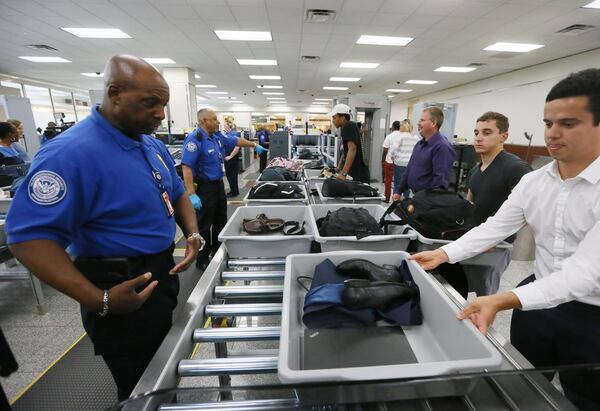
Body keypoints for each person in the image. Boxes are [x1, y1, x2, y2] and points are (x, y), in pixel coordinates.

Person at [4, 55, 203, 401]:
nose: (160, 113)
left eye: (164, 105)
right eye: (150, 103)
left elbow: (176, 192)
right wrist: (101, 299)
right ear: (114, 93)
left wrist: (192, 233)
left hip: (160, 273)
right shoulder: (69, 154)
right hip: (117, 283)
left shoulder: (148, 142)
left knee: (161, 368)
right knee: (138, 386)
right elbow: (28, 238)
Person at [409, 68, 600, 411]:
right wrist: (444, 253)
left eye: (568, 123)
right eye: (548, 123)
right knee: (525, 385)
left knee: (584, 397)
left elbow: (585, 273)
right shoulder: (535, 182)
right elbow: (494, 227)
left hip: (592, 317)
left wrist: (503, 299)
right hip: (537, 305)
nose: (553, 133)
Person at [181, 109, 267, 271]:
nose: (218, 122)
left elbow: (236, 141)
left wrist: (255, 145)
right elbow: (187, 168)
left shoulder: (216, 136)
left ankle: (217, 253)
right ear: (204, 121)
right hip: (204, 188)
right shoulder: (195, 140)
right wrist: (191, 194)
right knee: (204, 225)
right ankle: (202, 258)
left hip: (219, 185)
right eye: (214, 119)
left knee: (220, 220)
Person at [467, 111, 532, 238]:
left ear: (504, 136)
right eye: (476, 133)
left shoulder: (516, 168)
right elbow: (469, 206)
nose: (478, 138)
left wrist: (497, 238)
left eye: (486, 133)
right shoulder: (474, 171)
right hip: (474, 239)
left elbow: (529, 213)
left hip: (501, 245)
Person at [393, 107, 455, 200]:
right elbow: (409, 170)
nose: (418, 123)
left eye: (422, 120)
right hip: (417, 197)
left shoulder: (442, 147)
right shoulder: (419, 144)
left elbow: (439, 182)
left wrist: (426, 202)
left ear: (433, 123)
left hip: (428, 201)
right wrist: (399, 191)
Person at [330, 104, 370, 183]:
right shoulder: (348, 126)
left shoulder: (348, 126)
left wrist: (343, 174)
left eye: (334, 117)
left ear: (343, 117)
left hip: (358, 175)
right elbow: (346, 152)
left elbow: (352, 149)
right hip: (355, 173)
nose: (333, 120)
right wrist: (339, 168)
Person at [390, 119, 419, 200]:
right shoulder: (416, 137)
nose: (399, 128)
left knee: (397, 184)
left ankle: (395, 204)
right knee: (407, 184)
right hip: (411, 164)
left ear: (403, 126)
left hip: (399, 163)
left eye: (400, 126)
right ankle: (405, 203)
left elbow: (394, 149)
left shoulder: (401, 136)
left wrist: (393, 157)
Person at [381, 121, 403, 202]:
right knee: (399, 181)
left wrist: (382, 161)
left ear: (393, 127)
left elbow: (385, 150)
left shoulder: (389, 136)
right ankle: (396, 199)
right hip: (400, 162)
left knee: (388, 181)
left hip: (389, 161)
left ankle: (387, 199)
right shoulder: (403, 136)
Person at [223, 123, 241, 197]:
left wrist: (230, 156)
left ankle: (234, 192)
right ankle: (234, 190)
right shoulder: (226, 134)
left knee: (232, 175)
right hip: (228, 157)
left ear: (228, 126)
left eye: (225, 125)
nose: (224, 127)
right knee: (230, 175)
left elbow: (237, 147)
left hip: (231, 158)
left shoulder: (233, 134)